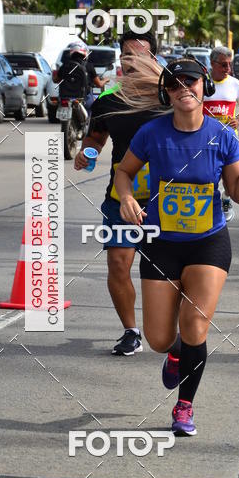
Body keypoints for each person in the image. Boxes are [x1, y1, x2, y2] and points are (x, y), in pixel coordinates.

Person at [114, 59, 239, 436]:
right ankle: (176, 351)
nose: (185, 88)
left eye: (192, 82)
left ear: (205, 88)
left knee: (196, 324)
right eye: (176, 83)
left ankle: (184, 406)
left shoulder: (222, 136)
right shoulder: (152, 133)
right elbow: (123, 171)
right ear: (166, 91)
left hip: (208, 243)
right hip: (162, 243)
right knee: (158, 339)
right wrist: (126, 197)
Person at [74, 30, 166, 356]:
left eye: (139, 54)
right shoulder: (108, 100)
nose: (132, 61)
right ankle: (131, 331)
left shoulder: (168, 95)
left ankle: (172, 330)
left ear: (153, 58)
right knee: (117, 263)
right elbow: (96, 139)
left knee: (167, 271)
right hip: (120, 196)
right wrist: (86, 154)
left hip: (166, 200)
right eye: (126, 55)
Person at [203, 46, 239, 222]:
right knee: (208, 175)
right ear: (212, 64)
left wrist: (238, 120)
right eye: (223, 65)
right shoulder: (203, 83)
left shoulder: (234, 83)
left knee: (231, 179)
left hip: (229, 139)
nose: (227, 69)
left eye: (229, 65)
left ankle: (226, 199)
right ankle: (209, 204)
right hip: (207, 140)